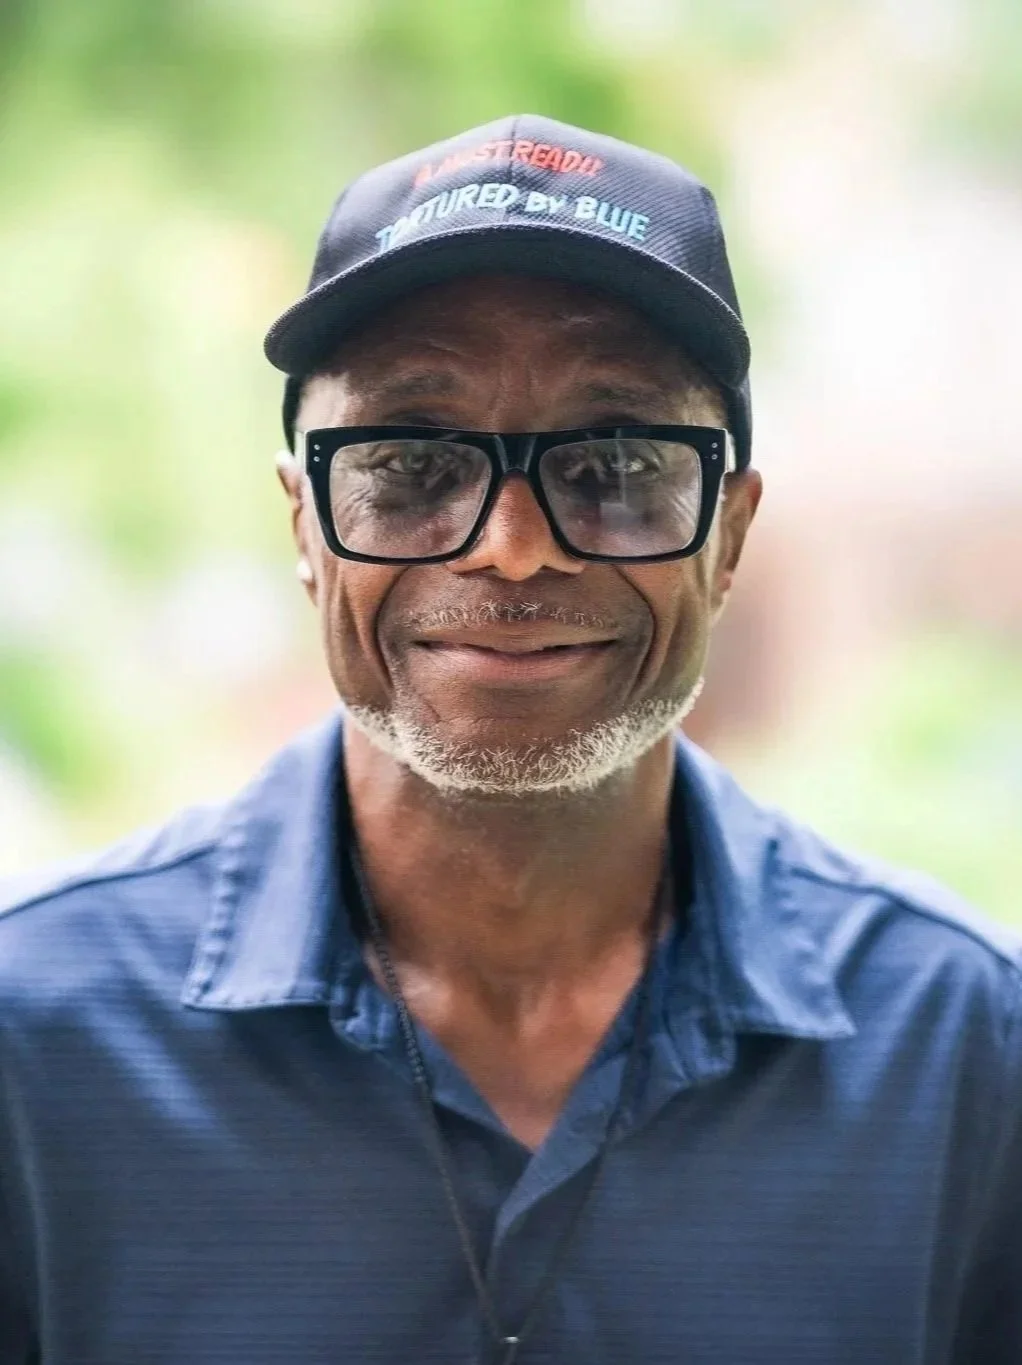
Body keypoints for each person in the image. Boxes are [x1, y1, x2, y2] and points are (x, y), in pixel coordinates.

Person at [0, 114, 1018, 1365]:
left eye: (615, 462)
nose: (513, 548)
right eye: (410, 464)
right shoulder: (34, 1038)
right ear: (306, 527)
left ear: (728, 537)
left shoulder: (964, 1048)